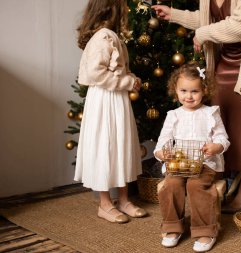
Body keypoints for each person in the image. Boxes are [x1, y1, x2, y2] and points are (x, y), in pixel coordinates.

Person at [152, 0, 241, 213]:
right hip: (224, 63)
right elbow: (206, 20)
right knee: (220, 125)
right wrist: (173, 14)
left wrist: (202, 34)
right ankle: (223, 183)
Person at [74, 0, 147, 223]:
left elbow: (118, 70)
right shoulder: (103, 37)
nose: (126, 10)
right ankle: (105, 204)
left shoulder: (111, 36)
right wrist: (126, 82)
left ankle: (123, 200)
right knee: (105, 145)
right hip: (105, 100)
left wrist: (131, 79)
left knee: (121, 144)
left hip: (116, 99)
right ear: (113, 9)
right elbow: (96, 74)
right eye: (123, 6)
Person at [154, 63, 230, 252]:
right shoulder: (173, 115)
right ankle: (172, 227)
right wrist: (161, 153)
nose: (189, 96)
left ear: (204, 90)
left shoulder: (211, 113)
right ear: (175, 90)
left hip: (205, 164)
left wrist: (216, 146)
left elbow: (223, 138)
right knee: (171, 184)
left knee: (195, 185)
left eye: (194, 91)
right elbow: (163, 140)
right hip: (179, 164)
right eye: (184, 91)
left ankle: (205, 230)